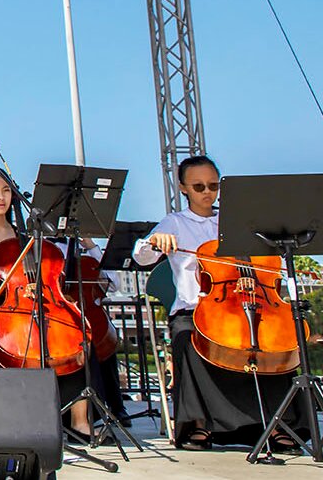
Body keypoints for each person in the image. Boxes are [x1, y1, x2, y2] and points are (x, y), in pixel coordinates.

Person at [134, 156, 306, 452]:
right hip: (196, 309)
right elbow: (141, 255)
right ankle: (199, 425)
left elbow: (270, 261)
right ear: (183, 187)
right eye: (198, 186)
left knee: (281, 342)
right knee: (186, 338)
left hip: (251, 302)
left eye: (213, 185)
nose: (207, 192)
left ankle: (279, 424)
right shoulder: (175, 222)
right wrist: (154, 241)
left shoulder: (238, 221)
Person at [0, 166, 98, 442]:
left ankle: (79, 422)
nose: (1, 197)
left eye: (6, 191)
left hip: (32, 310)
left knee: (75, 336)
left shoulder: (27, 236)